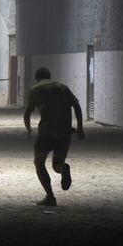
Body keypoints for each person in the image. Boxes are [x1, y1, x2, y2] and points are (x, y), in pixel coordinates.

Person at [24, 67, 85, 207]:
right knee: (57, 165)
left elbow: (27, 114)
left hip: (46, 133)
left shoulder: (36, 89)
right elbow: (76, 105)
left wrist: (29, 130)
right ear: (49, 76)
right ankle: (63, 169)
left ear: (37, 78)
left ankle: (50, 197)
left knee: (39, 163)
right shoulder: (63, 87)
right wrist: (80, 128)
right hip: (65, 132)